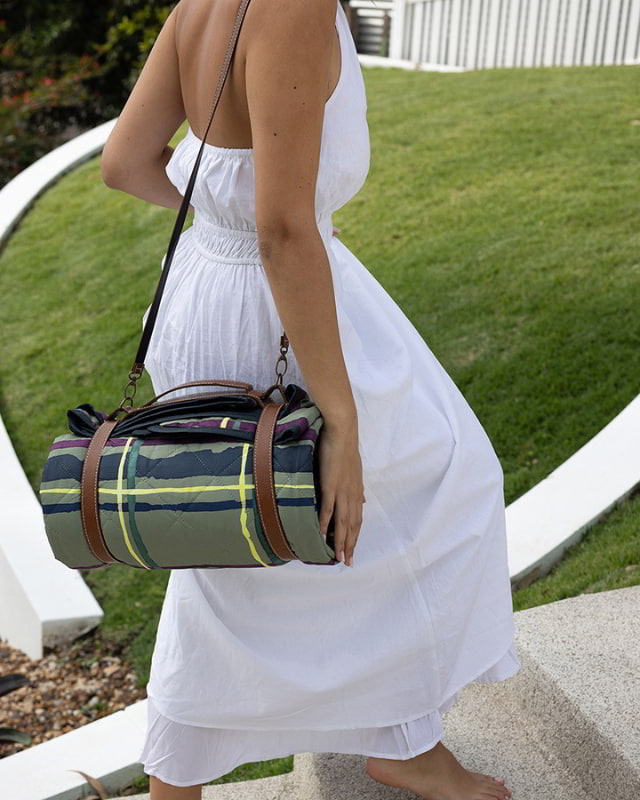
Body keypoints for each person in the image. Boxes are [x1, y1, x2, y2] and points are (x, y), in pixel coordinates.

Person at [99, 1, 519, 798]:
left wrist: (219, 218)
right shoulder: (295, 8)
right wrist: (344, 420)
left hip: (204, 293)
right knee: (439, 486)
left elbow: (125, 160)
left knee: (231, 536)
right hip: (273, 299)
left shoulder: (202, 3)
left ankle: (388, 736)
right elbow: (284, 229)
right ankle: (402, 740)